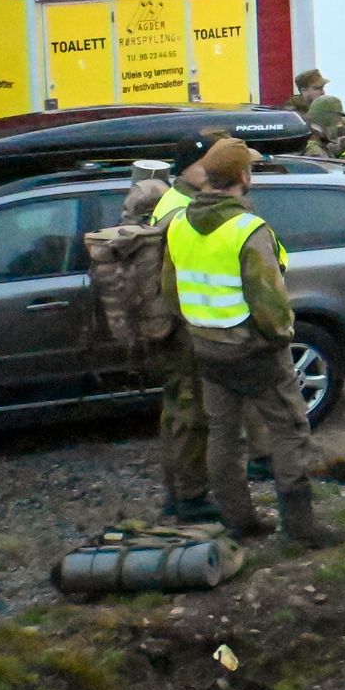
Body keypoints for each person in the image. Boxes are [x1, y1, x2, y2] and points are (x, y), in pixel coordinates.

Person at [163, 138, 344, 547]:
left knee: (223, 435)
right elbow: (270, 300)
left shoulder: (178, 223)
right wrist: (280, 338)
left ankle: (238, 521)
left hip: (207, 347)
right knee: (290, 430)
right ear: (243, 177)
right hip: (255, 350)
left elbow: (170, 291)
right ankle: (300, 527)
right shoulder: (248, 229)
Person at [122, 141, 219, 521]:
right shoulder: (182, 211)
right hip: (182, 327)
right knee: (190, 411)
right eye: (205, 164)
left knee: (176, 409)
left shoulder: (170, 201)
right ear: (186, 168)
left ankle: (176, 492)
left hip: (169, 323)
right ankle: (190, 498)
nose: (212, 172)